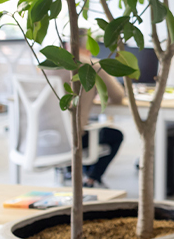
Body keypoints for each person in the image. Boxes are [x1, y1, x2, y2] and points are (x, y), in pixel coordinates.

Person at [54, 34, 127, 189]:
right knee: (116, 136)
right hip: (73, 139)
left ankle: (74, 171)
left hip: (45, 138)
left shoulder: (48, 65)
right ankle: (92, 179)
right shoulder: (91, 65)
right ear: (89, 48)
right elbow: (118, 96)